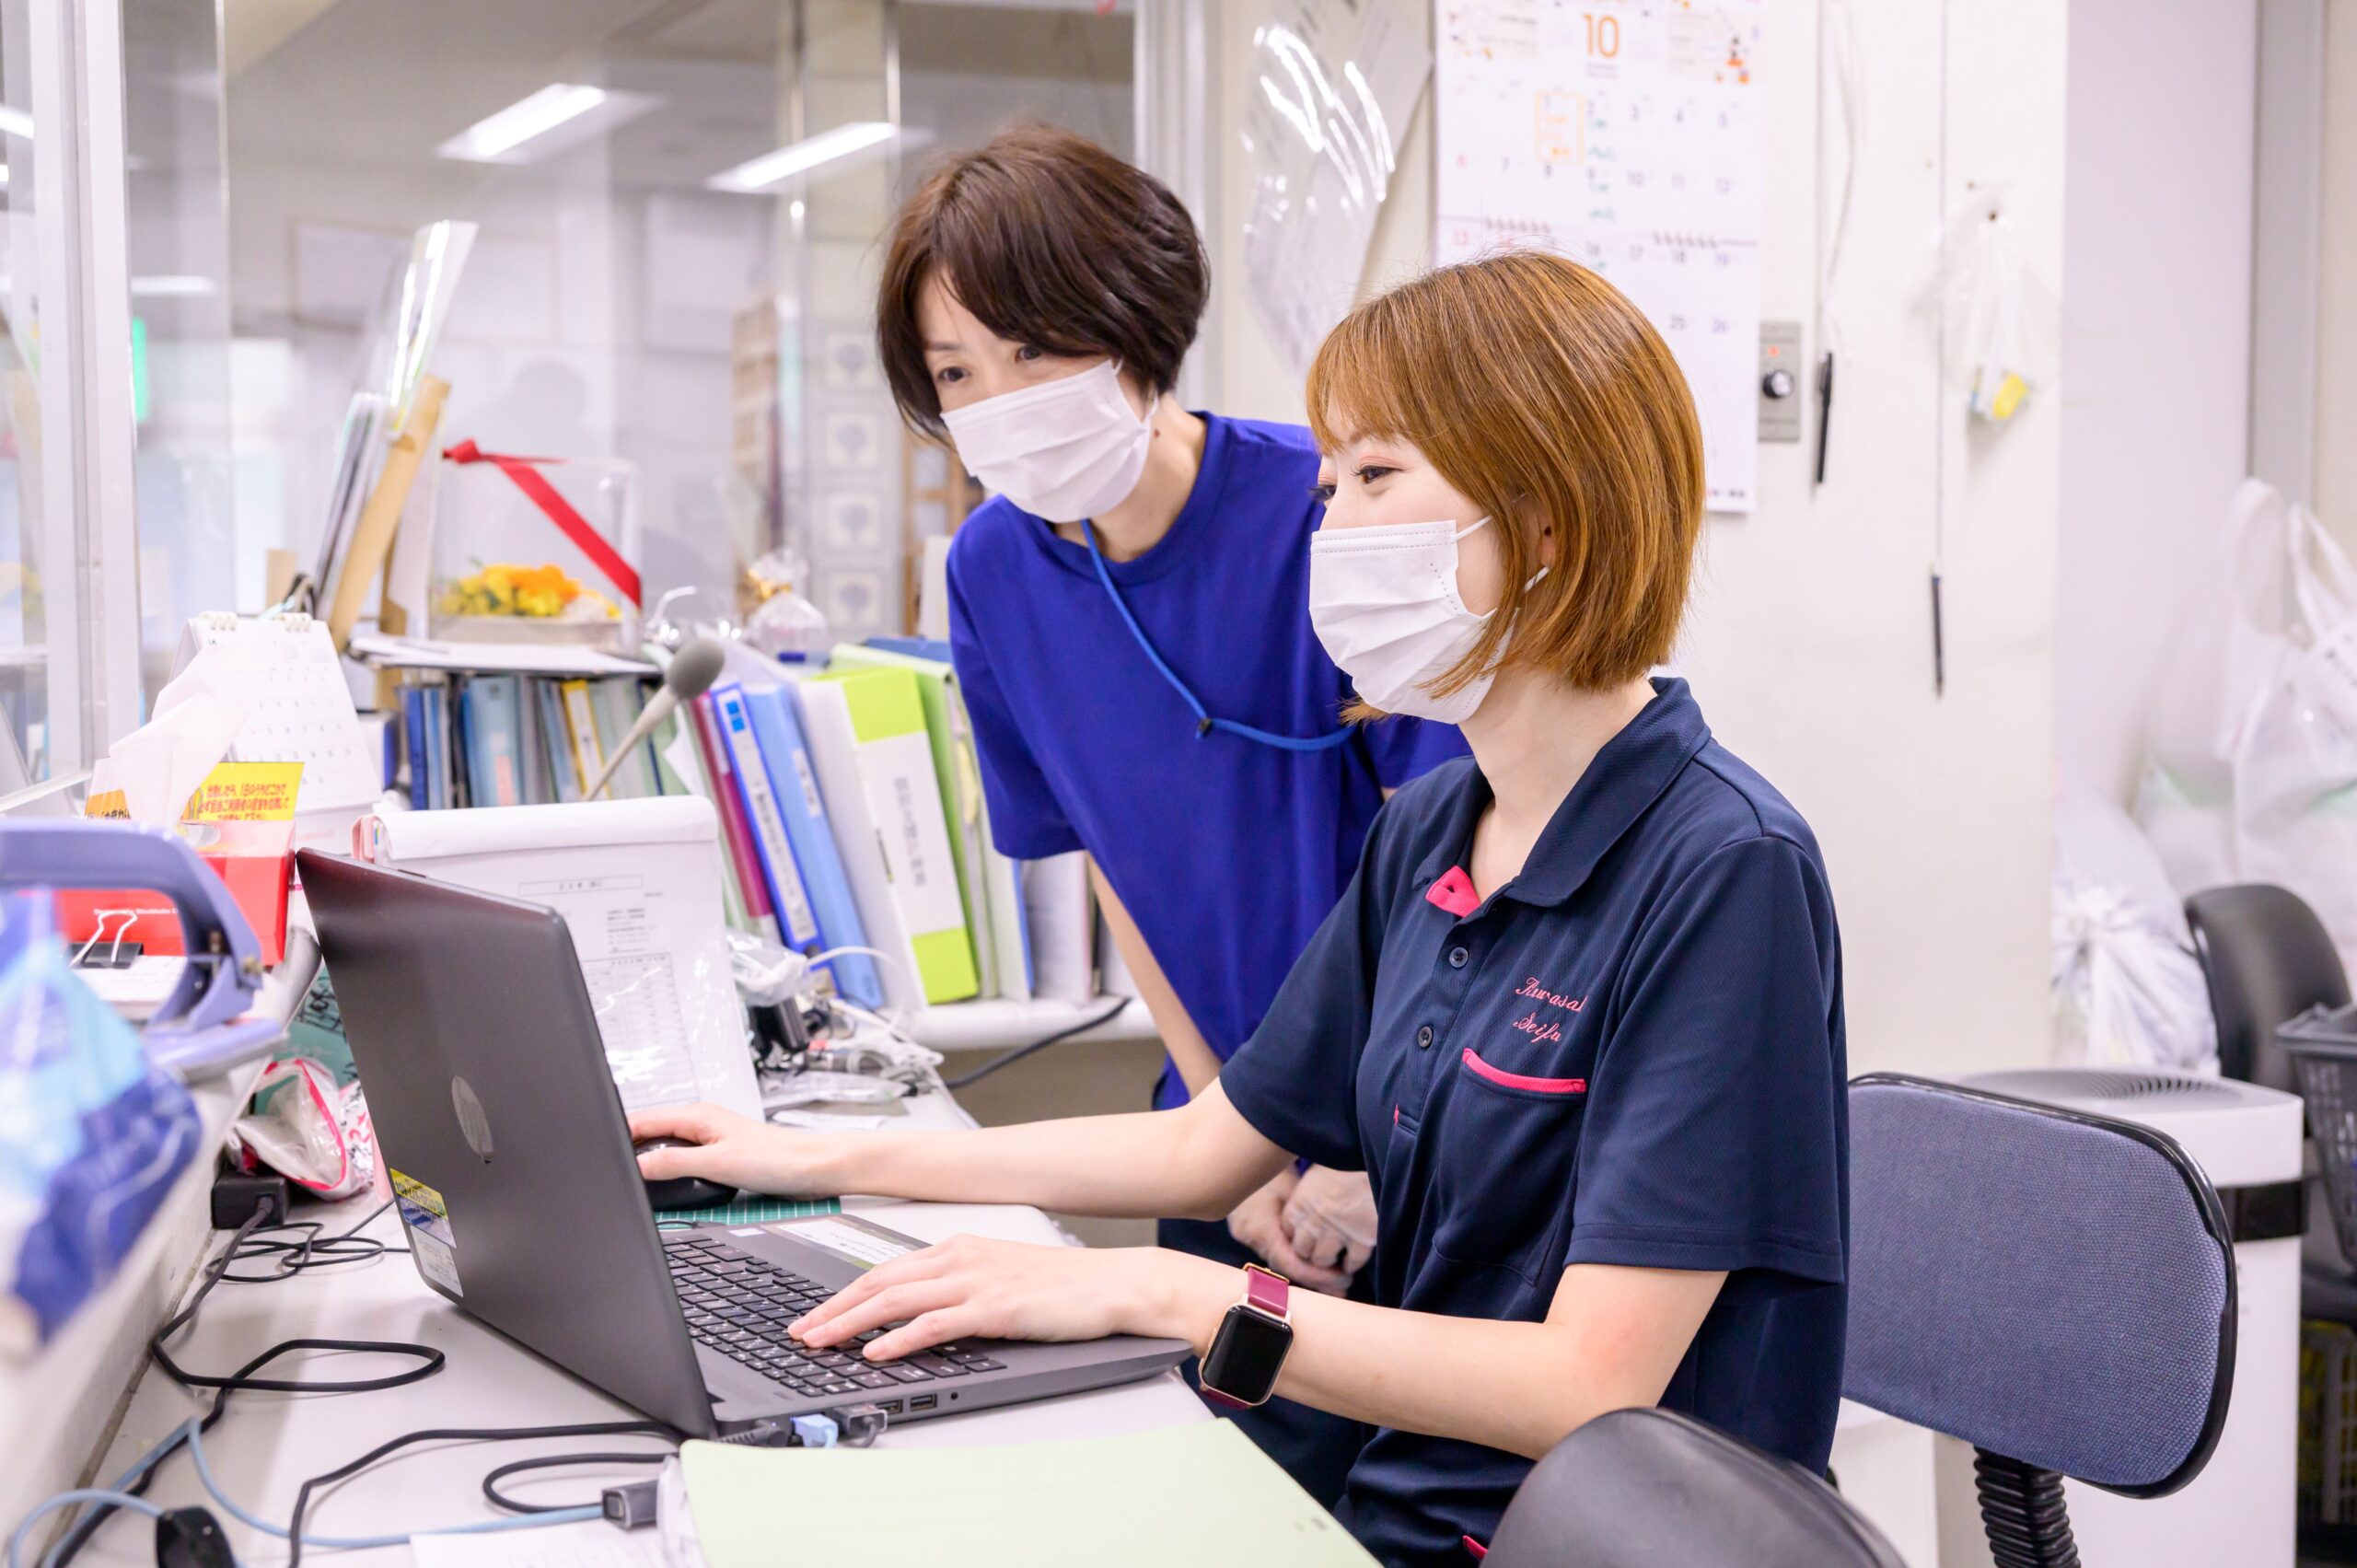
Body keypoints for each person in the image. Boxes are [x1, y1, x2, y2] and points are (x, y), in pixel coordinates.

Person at [638, 250, 1847, 1565]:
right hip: (1399, 1504)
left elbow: (1585, 1384)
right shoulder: (1439, 830)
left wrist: (1165, 1287)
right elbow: (1202, 1151)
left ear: (1549, 521)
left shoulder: (1723, 870)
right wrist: (802, 1162)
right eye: (1328, 486)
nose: (1330, 531)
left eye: (1378, 478)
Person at [864, 123, 1468, 1500]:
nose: (999, 401)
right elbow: (1111, 865)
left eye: (1032, 351)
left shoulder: (1326, 513)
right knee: (1225, 1491)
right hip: (1213, 1136)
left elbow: (1453, 873)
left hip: (1409, 1139)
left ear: (1132, 325)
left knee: (1399, 1506)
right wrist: (1223, 1130)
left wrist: (1353, 1154)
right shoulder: (991, 574)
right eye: (959, 374)